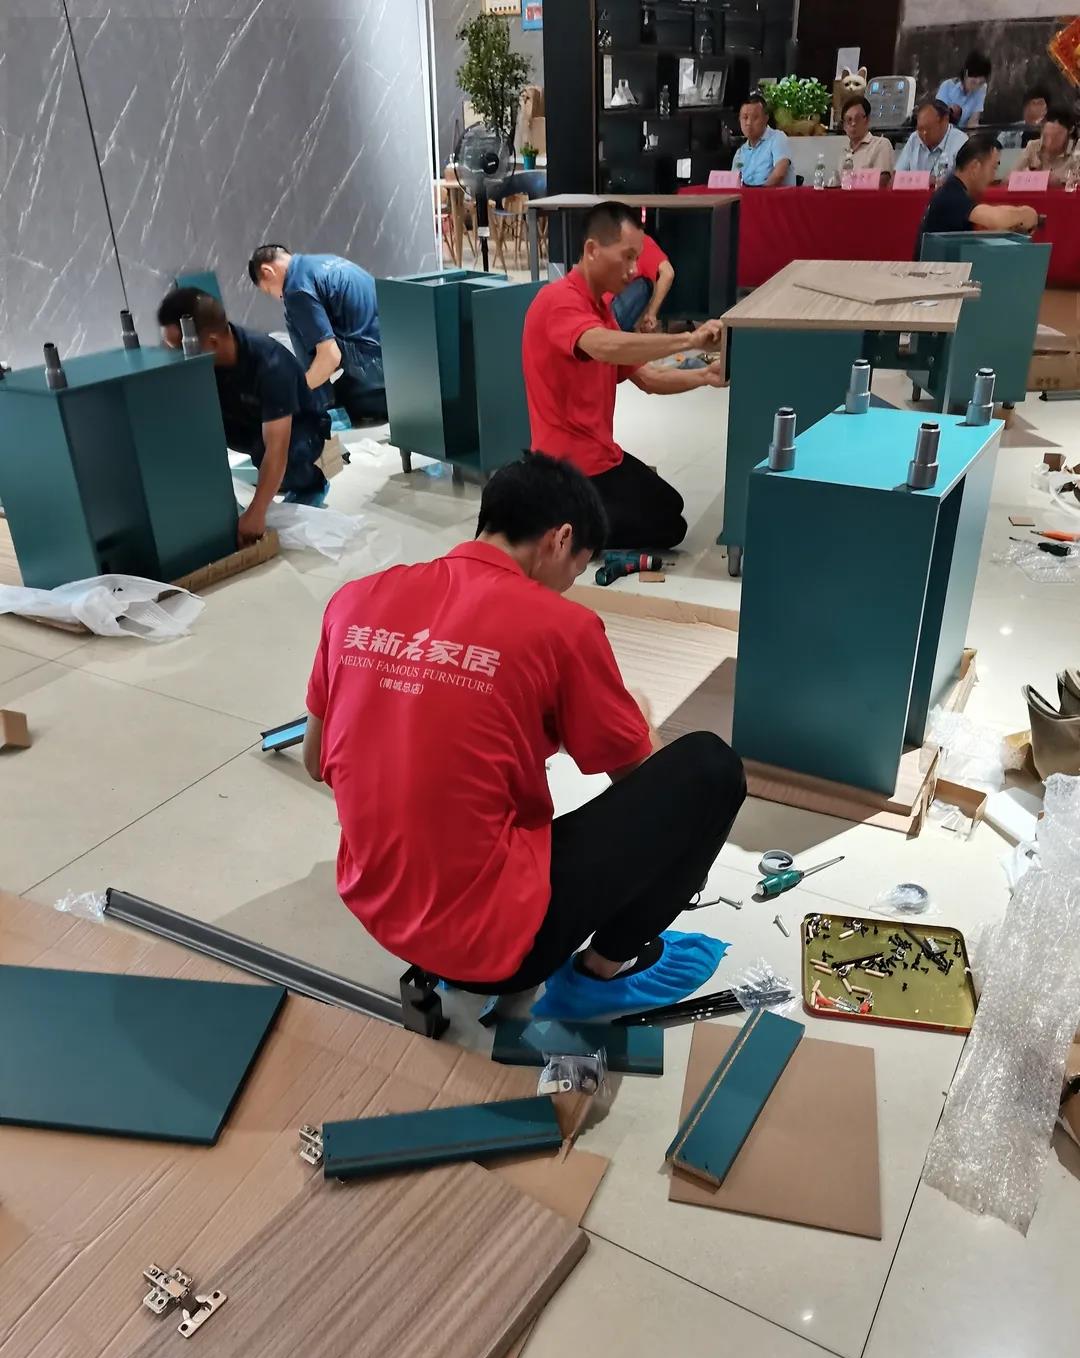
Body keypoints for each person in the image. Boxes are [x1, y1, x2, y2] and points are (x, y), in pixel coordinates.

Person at [303, 451, 746, 996]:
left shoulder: (353, 600)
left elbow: (315, 761)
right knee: (710, 769)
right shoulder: (562, 627)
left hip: (378, 911)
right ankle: (605, 966)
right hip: (499, 948)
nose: (566, 588)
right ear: (561, 539)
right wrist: (635, 716)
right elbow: (647, 785)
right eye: (575, 572)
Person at [521, 201, 725, 551]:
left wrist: (705, 375)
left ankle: (572, 517)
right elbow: (604, 347)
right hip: (566, 467)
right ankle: (561, 520)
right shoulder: (558, 301)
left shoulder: (601, 309)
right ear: (592, 250)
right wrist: (689, 340)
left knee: (670, 507)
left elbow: (647, 378)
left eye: (637, 259)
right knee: (669, 527)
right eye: (627, 257)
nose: (633, 270)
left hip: (601, 455)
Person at [157, 287, 331, 543]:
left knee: (273, 454)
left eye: (177, 349)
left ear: (212, 342)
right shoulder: (208, 360)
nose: (174, 357)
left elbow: (277, 447)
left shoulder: (270, 364)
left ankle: (312, 483)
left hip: (300, 430)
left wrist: (257, 513)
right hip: (247, 423)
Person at [248, 245, 386, 424]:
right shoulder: (324, 261)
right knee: (342, 391)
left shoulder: (296, 289)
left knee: (293, 317)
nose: (277, 297)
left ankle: (320, 409)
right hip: (395, 353)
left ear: (268, 271)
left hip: (375, 363)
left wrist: (297, 392)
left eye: (269, 290)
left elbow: (331, 356)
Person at [917, 136, 1039, 253]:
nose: (993, 177)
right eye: (993, 168)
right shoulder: (951, 195)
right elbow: (995, 219)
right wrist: (1025, 213)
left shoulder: (955, 189)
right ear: (975, 167)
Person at [609, 232, 675, 333]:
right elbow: (668, 273)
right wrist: (651, 314)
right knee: (644, 285)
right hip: (608, 317)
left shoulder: (603, 238)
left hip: (592, 314)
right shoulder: (641, 242)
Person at [733, 94, 794, 186]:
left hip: (773, 194)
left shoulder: (777, 138)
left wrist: (759, 192)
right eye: (745, 118)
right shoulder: (740, 153)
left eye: (755, 118)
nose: (748, 123)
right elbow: (733, 182)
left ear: (766, 118)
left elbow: (779, 174)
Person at [896, 100, 967, 175]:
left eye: (929, 128)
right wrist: (925, 179)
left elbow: (963, 179)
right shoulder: (914, 138)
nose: (924, 133)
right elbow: (897, 175)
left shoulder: (961, 142)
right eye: (920, 129)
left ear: (945, 120)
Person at [1014, 107, 1078, 185]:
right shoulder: (1033, 146)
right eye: (1046, 136)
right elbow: (1008, 179)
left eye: (1056, 137)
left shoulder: (1077, 152)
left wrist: (1059, 184)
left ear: (1070, 130)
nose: (1049, 143)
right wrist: (1030, 178)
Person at [936, 51, 992, 131]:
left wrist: (972, 137)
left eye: (980, 83)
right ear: (966, 73)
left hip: (964, 135)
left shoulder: (982, 89)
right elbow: (937, 121)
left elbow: (974, 121)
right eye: (973, 82)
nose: (977, 86)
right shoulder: (947, 87)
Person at [840, 95, 895, 175]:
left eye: (858, 118)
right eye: (849, 119)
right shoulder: (844, 151)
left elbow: (883, 179)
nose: (853, 123)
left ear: (868, 119)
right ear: (844, 126)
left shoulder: (881, 144)